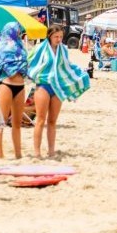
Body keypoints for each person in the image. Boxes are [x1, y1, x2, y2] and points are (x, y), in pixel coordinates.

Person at [28, 24, 90, 158]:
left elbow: (67, 66)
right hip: (43, 85)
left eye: (61, 37)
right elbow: (31, 61)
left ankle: (51, 151)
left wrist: (80, 73)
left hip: (58, 86)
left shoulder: (63, 50)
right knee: (40, 120)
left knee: (52, 121)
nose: (59, 39)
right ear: (49, 36)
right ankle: (37, 152)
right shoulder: (40, 49)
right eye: (56, 37)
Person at [0, 22, 29, 160]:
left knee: (17, 123)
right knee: (1, 121)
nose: (18, 32)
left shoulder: (21, 46)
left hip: (20, 85)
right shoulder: (1, 46)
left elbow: (25, 64)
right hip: (6, 84)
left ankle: (18, 154)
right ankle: (0, 155)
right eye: (16, 30)